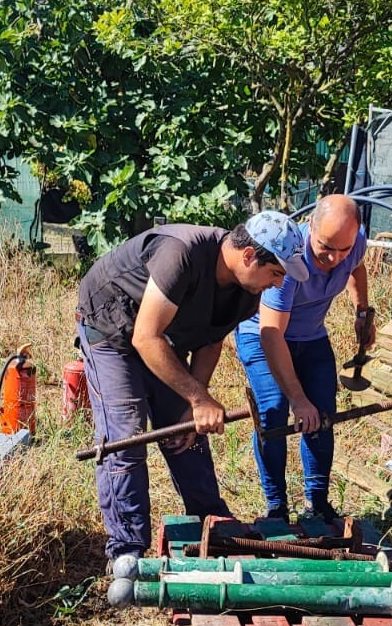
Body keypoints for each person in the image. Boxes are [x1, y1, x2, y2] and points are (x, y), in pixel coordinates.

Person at [76, 213, 308, 570]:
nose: (277, 284)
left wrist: (191, 405)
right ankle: (126, 550)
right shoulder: (181, 254)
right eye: (276, 273)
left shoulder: (247, 290)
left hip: (163, 338)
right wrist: (199, 398)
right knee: (126, 436)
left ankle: (210, 523)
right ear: (249, 256)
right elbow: (144, 337)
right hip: (113, 331)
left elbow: (210, 340)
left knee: (190, 432)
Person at [235, 195, 373, 522]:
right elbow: (271, 334)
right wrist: (297, 399)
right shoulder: (289, 260)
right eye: (326, 246)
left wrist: (363, 310)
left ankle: (317, 505)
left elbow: (357, 266)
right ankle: (276, 507)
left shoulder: (353, 245)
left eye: (343, 249)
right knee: (273, 412)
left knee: (322, 413)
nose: (334, 257)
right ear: (310, 226)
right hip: (263, 335)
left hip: (310, 335)